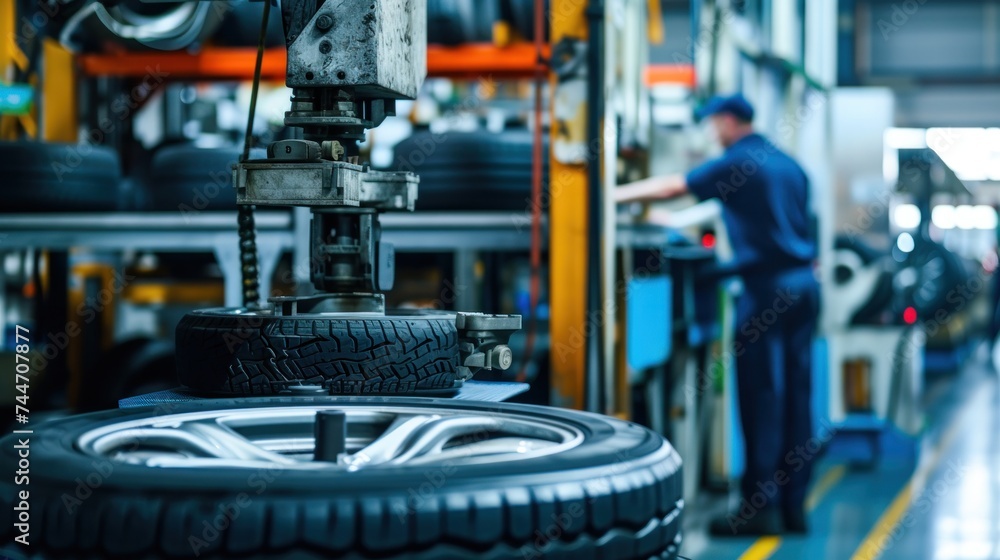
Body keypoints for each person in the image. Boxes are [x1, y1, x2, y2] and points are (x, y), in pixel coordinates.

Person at [616, 93, 821, 536]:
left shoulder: (737, 161)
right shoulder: (790, 164)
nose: (712, 133)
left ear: (728, 122)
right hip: (805, 287)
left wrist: (606, 194)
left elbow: (673, 186)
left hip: (766, 289)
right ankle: (793, 506)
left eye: (713, 124)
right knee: (797, 397)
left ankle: (758, 508)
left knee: (762, 394)